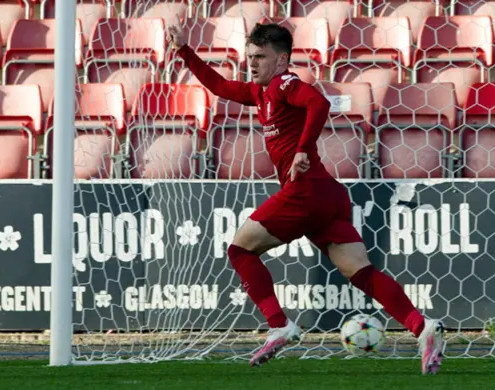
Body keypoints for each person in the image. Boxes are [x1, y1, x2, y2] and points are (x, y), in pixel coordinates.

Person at [166, 21, 445, 374]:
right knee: (361, 272)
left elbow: (318, 103)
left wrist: (301, 150)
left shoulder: (285, 84)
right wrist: (183, 50)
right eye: (249, 57)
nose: (252, 64)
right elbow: (219, 86)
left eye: (260, 57)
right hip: (328, 195)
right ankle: (423, 327)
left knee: (240, 250)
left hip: (304, 191)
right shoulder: (261, 92)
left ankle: (279, 324)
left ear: (282, 61)